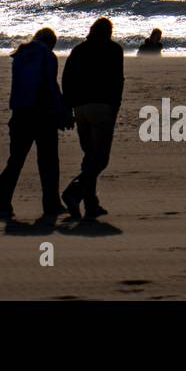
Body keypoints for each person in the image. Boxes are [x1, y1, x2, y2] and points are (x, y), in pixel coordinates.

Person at [0, 28, 71, 219]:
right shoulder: (48, 56)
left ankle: (2, 203)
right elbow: (52, 87)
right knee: (48, 163)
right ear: (51, 43)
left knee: (15, 161)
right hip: (43, 115)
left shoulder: (21, 54)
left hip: (20, 114)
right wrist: (63, 112)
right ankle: (51, 204)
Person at [60, 18, 124, 220]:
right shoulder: (114, 50)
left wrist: (68, 108)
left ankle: (91, 204)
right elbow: (117, 80)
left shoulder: (78, 50)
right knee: (100, 158)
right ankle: (74, 192)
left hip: (80, 108)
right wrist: (115, 106)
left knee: (89, 156)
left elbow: (67, 79)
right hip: (102, 106)